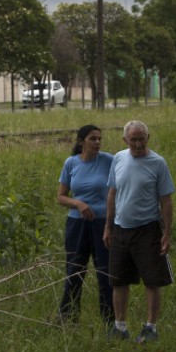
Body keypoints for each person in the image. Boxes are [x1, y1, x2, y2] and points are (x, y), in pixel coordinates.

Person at [103, 120, 175, 343]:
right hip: (121, 228)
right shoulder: (118, 158)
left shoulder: (158, 163)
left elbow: (166, 201)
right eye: (133, 139)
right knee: (119, 280)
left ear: (148, 137)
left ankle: (151, 327)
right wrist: (108, 226)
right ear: (125, 140)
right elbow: (112, 194)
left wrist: (167, 232)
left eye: (141, 139)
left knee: (152, 280)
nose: (137, 144)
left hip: (148, 229)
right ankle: (120, 327)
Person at [56, 124, 115, 325]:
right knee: (74, 271)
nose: (97, 142)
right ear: (81, 142)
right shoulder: (71, 163)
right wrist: (78, 203)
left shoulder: (109, 160)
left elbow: (118, 189)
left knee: (105, 273)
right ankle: (67, 319)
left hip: (102, 224)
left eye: (99, 138)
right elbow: (61, 197)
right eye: (93, 138)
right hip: (77, 225)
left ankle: (110, 322)